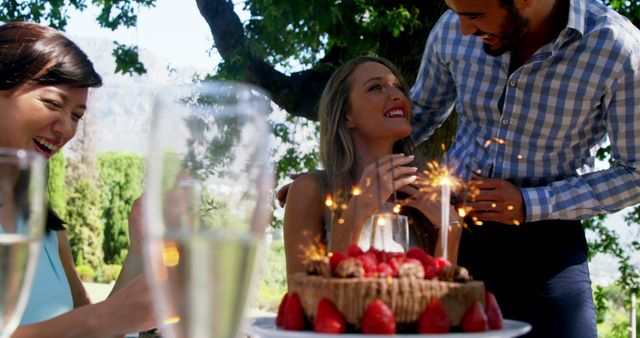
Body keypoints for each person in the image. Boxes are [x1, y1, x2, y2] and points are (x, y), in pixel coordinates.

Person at [409, 0, 640, 337]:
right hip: (450, 233)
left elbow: (636, 172)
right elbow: (418, 116)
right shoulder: (451, 27)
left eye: (475, 15)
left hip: (548, 246)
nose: (463, 29)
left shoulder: (617, 47)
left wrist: (530, 203)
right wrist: (344, 170)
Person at [0, 21, 155, 337]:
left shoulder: (44, 228)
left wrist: (139, 249)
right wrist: (106, 318)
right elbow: (96, 323)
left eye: (77, 116)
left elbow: (89, 329)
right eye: (53, 103)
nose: (67, 129)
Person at [283, 56, 461, 281]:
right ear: (347, 115)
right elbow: (303, 298)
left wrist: (450, 228)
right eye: (376, 87)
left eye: (398, 87)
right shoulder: (309, 190)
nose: (398, 96)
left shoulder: (424, 197)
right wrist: (358, 209)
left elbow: (440, 305)